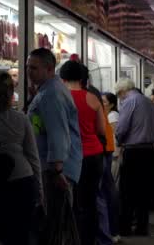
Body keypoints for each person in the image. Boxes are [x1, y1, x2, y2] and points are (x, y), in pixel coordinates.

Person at [26, 48, 82, 242]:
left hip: (55, 171)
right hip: (56, 168)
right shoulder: (51, 89)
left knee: (55, 227)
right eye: (28, 67)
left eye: (33, 68)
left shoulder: (50, 94)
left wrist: (57, 170)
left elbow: (57, 132)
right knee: (57, 226)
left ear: (49, 69)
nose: (29, 72)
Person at [0, 71, 41, 245]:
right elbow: (33, 156)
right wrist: (40, 190)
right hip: (24, 181)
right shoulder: (21, 118)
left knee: (2, 235)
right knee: (21, 235)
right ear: (11, 92)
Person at [59, 60, 106, 245]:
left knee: (70, 203)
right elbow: (102, 130)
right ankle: (89, 240)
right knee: (89, 202)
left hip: (69, 157)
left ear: (62, 78)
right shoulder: (92, 98)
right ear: (82, 78)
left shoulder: (59, 98)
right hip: (93, 155)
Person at [115, 78, 154, 236]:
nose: (120, 99)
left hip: (133, 151)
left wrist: (119, 141)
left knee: (127, 191)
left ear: (122, 92)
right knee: (143, 191)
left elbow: (122, 127)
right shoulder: (147, 102)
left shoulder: (129, 101)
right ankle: (142, 226)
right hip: (149, 150)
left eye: (119, 95)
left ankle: (125, 227)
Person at [101, 92, 122, 244]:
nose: (102, 103)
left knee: (110, 190)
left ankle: (113, 230)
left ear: (112, 104)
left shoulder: (112, 116)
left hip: (112, 155)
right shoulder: (106, 115)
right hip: (110, 154)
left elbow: (115, 135)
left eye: (104, 101)